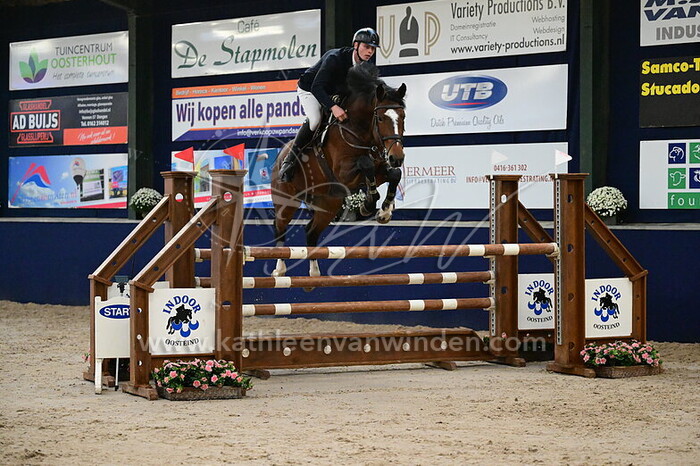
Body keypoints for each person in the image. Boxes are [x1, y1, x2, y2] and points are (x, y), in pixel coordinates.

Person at [278, 27, 380, 183]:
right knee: (315, 120)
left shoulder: (366, 66)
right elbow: (317, 87)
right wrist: (333, 107)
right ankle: (289, 160)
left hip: (335, 92)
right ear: (356, 45)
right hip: (310, 89)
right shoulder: (335, 58)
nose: (370, 52)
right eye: (366, 47)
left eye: (373, 48)